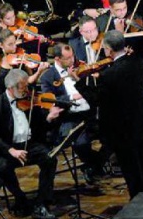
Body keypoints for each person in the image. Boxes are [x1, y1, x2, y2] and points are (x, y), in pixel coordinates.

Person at [72, 30, 143, 198]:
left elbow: (97, 99)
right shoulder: (137, 63)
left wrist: (79, 82)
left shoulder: (109, 75)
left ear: (108, 50)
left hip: (122, 130)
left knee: (131, 169)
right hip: (140, 123)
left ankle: (138, 203)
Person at [0, 69, 61, 219]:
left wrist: (49, 118)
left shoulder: (29, 100)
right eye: (23, 88)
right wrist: (11, 150)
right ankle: (20, 198)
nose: (26, 91)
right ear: (11, 88)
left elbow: (40, 126)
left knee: (50, 159)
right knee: (3, 167)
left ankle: (41, 203)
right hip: (8, 148)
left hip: (30, 144)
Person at [40, 43, 103, 184]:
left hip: (90, 113)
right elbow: (49, 100)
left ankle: (96, 163)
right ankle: (92, 166)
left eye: (72, 56)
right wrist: (70, 98)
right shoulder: (48, 77)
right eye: (67, 58)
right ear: (57, 59)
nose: (72, 60)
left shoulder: (80, 68)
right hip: (69, 117)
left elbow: (93, 91)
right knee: (81, 142)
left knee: (114, 133)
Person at [0, 28, 49, 102]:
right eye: (10, 44)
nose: (14, 47)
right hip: (4, 100)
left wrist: (39, 72)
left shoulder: (21, 56)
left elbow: (29, 81)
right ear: (1, 45)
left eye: (15, 42)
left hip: (22, 98)